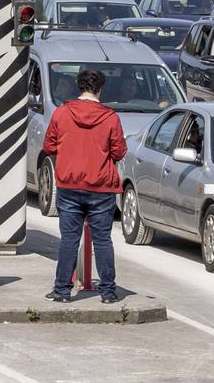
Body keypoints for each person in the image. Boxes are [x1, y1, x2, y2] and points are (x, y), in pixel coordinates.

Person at [43, 69, 126, 304]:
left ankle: (62, 291)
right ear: (100, 89)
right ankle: (108, 292)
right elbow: (119, 151)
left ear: (78, 87)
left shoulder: (61, 113)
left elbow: (49, 146)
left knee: (69, 239)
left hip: (69, 185)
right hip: (101, 188)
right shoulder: (110, 117)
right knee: (103, 240)